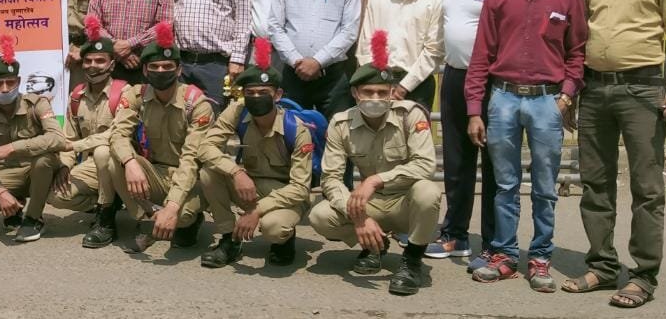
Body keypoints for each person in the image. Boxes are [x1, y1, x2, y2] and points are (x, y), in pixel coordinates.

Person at [566, 0, 666, 308]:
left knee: (646, 187)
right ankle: (602, 267)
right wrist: (571, 92)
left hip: (642, 89)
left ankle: (643, 275)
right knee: (595, 183)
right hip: (595, 90)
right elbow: (578, 40)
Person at [464, 0, 586, 292]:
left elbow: (577, 52)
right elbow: (481, 55)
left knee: (546, 187)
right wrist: (474, 109)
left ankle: (540, 257)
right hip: (502, 99)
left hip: (547, 101)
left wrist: (566, 94)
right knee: (504, 184)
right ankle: (503, 254)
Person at [308, 31, 441, 296]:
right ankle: (374, 246)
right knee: (319, 215)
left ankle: (412, 261)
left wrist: (375, 179)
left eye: (382, 92)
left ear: (392, 93)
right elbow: (331, 178)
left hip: (406, 200)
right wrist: (359, 216)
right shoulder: (341, 123)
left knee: (429, 192)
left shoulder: (410, 114)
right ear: (355, 93)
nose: (376, 98)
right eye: (368, 92)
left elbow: (426, 165)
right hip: (371, 203)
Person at [433, 0, 513, 265]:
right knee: (456, 162)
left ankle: (494, 243)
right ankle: (455, 234)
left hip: (494, 80)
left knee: (495, 163)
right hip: (454, 76)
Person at [196, 38, 312, 269]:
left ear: (277, 95)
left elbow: (300, 188)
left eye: (263, 92)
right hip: (248, 184)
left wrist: (256, 212)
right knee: (209, 173)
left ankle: (284, 241)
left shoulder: (296, 128)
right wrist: (236, 172)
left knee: (274, 228)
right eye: (250, 92)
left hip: (285, 193)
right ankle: (229, 239)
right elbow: (205, 147)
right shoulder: (238, 111)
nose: (256, 98)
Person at [107, 21, 212, 249]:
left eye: (167, 66)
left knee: (181, 216)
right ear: (145, 70)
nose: (161, 71)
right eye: (154, 67)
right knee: (112, 158)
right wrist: (131, 163)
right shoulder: (137, 95)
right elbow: (117, 135)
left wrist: (173, 207)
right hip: (155, 172)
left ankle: (188, 221)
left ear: (179, 70)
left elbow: (191, 160)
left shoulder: (196, 103)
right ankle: (146, 219)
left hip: (189, 177)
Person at [0, 36, 68, 243]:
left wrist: (12, 147)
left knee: (43, 161)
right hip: (11, 172)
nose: (5, 88)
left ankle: (33, 218)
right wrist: (1, 191)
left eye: (10, 82)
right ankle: (15, 203)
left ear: (19, 82)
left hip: (40, 169)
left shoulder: (37, 104)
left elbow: (57, 139)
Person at [267, 0, 361, 120]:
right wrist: (297, 61)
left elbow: (349, 31)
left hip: (333, 77)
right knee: (292, 133)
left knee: (337, 133)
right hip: (293, 74)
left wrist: (318, 61)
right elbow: (275, 26)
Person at [50, 15, 126, 248]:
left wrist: (77, 147)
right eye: (88, 61)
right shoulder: (76, 96)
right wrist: (65, 164)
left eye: (100, 61)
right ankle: (108, 202)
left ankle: (106, 220)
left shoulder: (125, 93)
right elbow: (69, 137)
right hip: (92, 167)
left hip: (120, 163)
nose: (93, 66)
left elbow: (115, 135)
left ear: (111, 64)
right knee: (57, 195)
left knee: (104, 151)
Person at [356, 0, 444, 110]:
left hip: (417, 85)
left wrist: (404, 87)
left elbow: (434, 51)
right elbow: (366, 41)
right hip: (378, 83)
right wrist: (375, 81)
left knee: (414, 137)